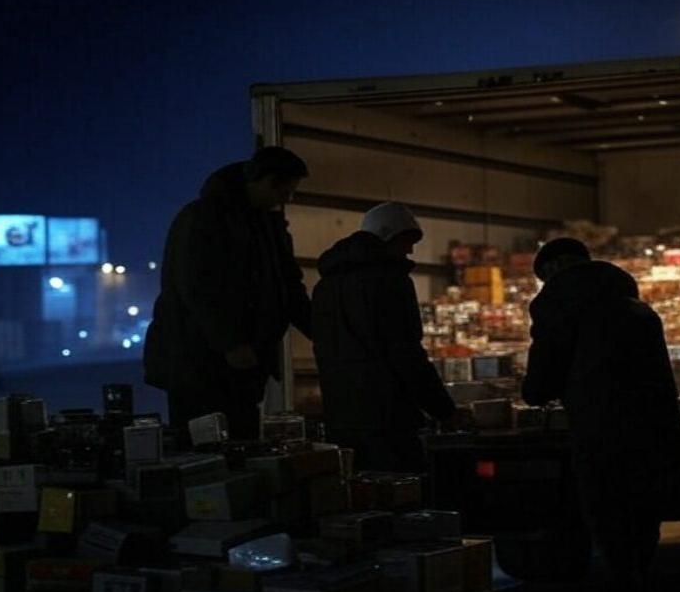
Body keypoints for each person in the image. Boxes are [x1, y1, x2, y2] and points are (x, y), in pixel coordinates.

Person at [522, 238, 680, 592]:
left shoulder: (556, 304)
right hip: (653, 428)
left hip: (599, 429)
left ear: (553, 269)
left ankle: (619, 591)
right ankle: (640, 583)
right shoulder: (639, 309)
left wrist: (534, 393)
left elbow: (543, 375)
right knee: (642, 512)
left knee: (606, 514)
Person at [144, 146, 313, 440]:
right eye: (286, 190)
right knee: (204, 447)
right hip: (199, 364)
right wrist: (231, 343)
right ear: (265, 181)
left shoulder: (266, 225)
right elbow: (196, 286)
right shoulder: (204, 219)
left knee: (240, 441)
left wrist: (320, 330)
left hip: (238, 364)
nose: (288, 199)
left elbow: (288, 287)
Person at [311, 202, 455, 472]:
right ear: (389, 236)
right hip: (388, 415)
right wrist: (444, 410)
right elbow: (405, 352)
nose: (410, 250)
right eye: (407, 241)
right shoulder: (390, 280)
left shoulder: (325, 285)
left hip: (341, 414)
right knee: (402, 493)